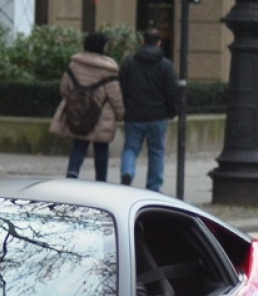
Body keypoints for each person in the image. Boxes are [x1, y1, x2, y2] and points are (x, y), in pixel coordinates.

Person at [49, 31, 124, 181]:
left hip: (79, 112)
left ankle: (73, 171)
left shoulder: (74, 65)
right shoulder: (108, 69)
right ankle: (101, 180)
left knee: (79, 145)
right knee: (101, 148)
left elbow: (64, 88)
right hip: (102, 114)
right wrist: (121, 113)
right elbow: (115, 96)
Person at [118, 28, 178, 192]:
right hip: (158, 115)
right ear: (159, 43)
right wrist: (172, 111)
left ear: (143, 41)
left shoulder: (129, 62)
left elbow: (121, 88)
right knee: (157, 151)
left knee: (130, 148)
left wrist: (124, 109)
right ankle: (154, 186)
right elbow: (172, 91)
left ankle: (127, 171)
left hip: (134, 114)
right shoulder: (165, 65)